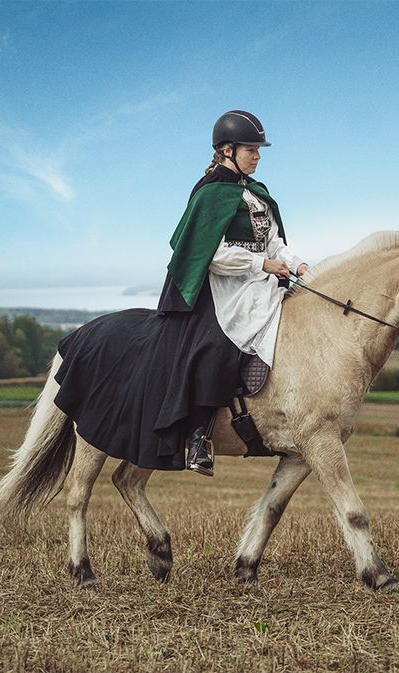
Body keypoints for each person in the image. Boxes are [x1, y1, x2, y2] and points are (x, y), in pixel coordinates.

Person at [156, 110, 308, 476]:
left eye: (259, 149)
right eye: (251, 149)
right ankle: (197, 437)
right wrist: (261, 266)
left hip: (262, 285)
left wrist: (298, 263)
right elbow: (211, 254)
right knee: (218, 348)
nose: (257, 155)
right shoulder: (209, 194)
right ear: (227, 150)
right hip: (225, 288)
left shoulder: (256, 194)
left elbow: (274, 242)